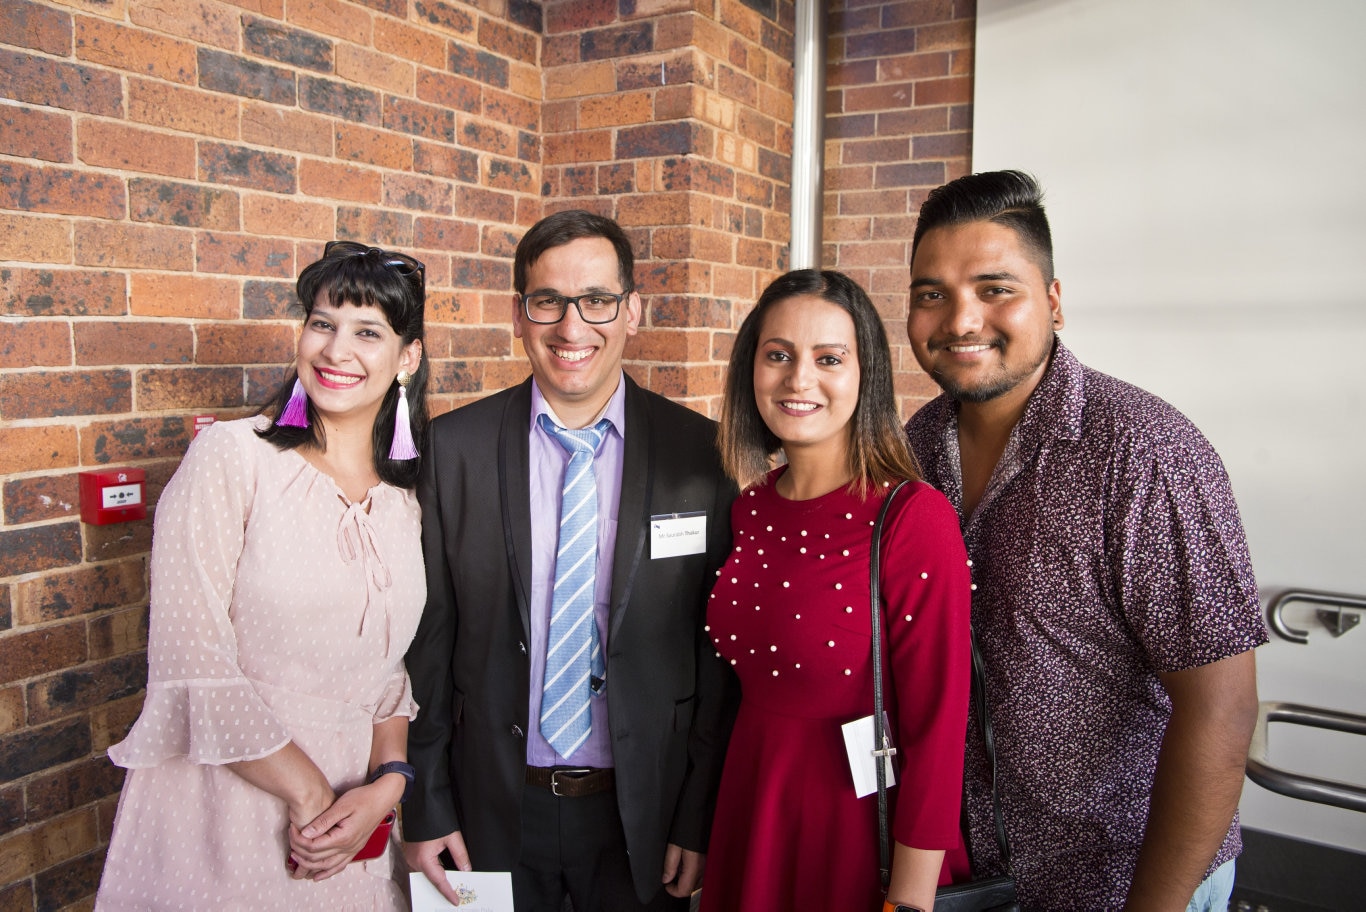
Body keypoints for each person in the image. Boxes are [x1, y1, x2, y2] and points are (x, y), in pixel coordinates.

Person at [903, 170, 1268, 912]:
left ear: (1055, 301)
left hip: (1125, 881)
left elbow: (1221, 708)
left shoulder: (1144, 451)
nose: (961, 319)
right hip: (970, 877)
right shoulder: (915, 448)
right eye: (931, 293)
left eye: (995, 288)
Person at [403, 209, 740, 912]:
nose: (571, 326)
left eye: (597, 301)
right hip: (485, 805)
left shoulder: (702, 458)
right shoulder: (453, 451)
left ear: (632, 311)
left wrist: (696, 813)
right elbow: (426, 649)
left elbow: (713, 658)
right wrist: (426, 803)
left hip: (643, 814)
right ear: (518, 315)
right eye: (547, 300)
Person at [95, 241, 430, 911]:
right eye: (322, 322)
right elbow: (192, 662)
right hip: (226, 812)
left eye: (368, 332)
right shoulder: (231, 458)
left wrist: (387, 785)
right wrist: (309, 796)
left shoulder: (403, 500)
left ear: (408, 358)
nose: (336, 350)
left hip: (352, 824)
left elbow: (388, 672)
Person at [700, 269, 973, 912]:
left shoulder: (913, 517)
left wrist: (909, 898)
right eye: (778, 356)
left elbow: (939, 726)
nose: (799, 379)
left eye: (829, 358)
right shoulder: (751, 509)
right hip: (754, 806)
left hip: (858, 833)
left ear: (864, 376)